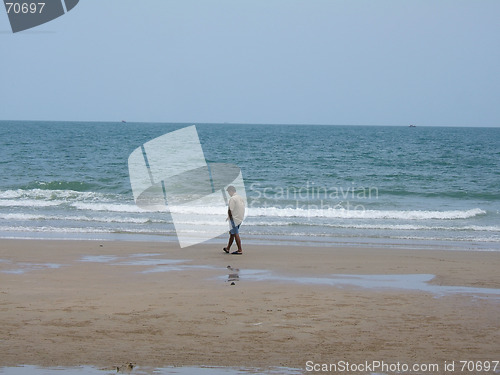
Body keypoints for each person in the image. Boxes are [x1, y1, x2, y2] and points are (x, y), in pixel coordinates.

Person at [223, 185, 245, 255]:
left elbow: (230, 210)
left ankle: (240, 249)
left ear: (231, 191)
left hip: (234, 218)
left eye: (229, 192)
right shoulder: (240, 197)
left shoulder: (232, 199)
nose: (229, 194)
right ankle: (228, 248)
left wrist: (229, 218)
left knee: (235, 233)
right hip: (240, 217)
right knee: (232, 233)